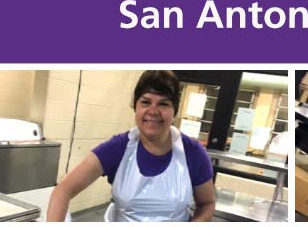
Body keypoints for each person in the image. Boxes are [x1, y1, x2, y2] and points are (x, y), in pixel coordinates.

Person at [47, 71, 215, 221]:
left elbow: (207, 204)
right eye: (145, 102)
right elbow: (62, 191)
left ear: (174, 111)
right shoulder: (118, 148)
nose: (153, 111)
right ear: (135, 106)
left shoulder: (192, 152)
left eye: (163, 104)